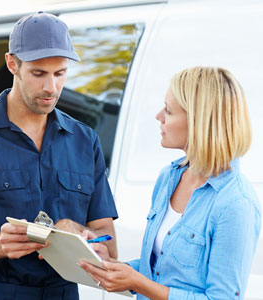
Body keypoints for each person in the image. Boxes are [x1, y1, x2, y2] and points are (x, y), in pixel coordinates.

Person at [0, 12, 118, 300]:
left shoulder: (85, 140)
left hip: (65, 293)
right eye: (38, 74)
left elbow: (106, 241)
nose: (52, 88)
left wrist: (83, 237)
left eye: (60, 73)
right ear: (13, 64)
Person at [78, 66, 262, 300]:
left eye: (168, 110)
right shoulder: (169, 177)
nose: (158, 116)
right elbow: (158, 272)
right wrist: (111, 265)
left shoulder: (236, 203)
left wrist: (139, 283)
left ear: (198, 121)